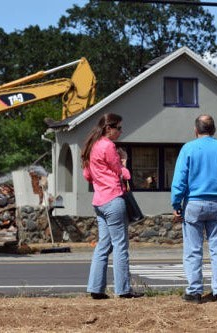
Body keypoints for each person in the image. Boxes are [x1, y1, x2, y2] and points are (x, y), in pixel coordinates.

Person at [171, 115, 217, 304]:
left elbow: (179, 181)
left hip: (194, 203)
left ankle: (194, 292)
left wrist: (176, 204)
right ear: (214, 129)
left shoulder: (189, 148)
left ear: (196, 130)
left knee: (193, 249)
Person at [81, 113, 144, 300]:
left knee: (103, 246)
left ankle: (96, 288)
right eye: (119, 128)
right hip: (113, 199)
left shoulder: (91, 146)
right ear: (109, 128)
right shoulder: (108, 146)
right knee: (120, 246)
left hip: (99, 201)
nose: (120, 132)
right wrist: (124, 162)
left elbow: (87, 176)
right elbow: (122, 174)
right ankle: (123, 289)